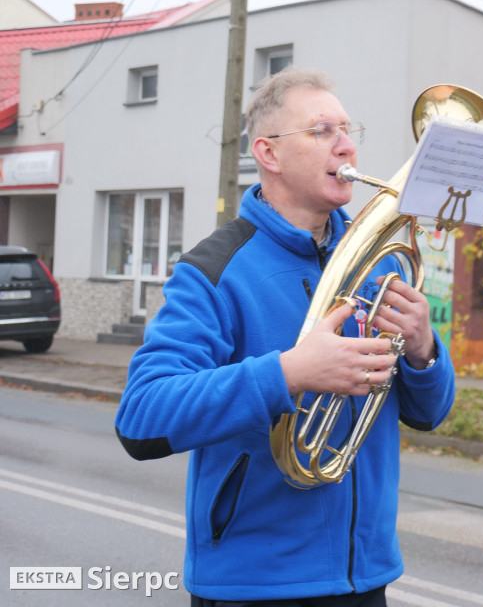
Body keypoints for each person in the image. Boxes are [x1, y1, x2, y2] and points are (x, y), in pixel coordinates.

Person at [114, 66, 456, 606]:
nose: (346, 147)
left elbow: (429, 414)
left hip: (366, 577)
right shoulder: (214, 269)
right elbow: (141, 418)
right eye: (323, 131)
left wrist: (423, 350)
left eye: (349, 130)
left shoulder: (375, 267)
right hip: (254, 584)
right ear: (268, 154)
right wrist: (289, 372)